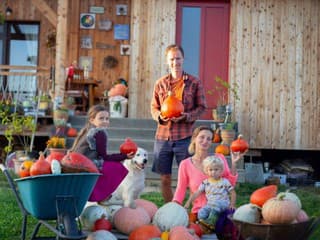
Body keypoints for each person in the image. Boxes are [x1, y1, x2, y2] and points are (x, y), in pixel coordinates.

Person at [150, 44, 207, 202]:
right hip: (163, 137)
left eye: (178, 58)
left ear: (183, 59)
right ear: (167, 62)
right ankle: (170, 209)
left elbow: (202, 107)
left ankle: (192, 208)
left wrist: (187, 116)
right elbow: (154, 107)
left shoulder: (194, 83)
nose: (175, 62)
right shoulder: (160, 84)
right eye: (172, 59)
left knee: (190, 178)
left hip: (185, 137)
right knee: (165, 178)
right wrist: (160, 116)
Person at [173, 125, 244, 216]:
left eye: (209, 139)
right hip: (200, 211)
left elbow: (230, 183)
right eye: (202, 137)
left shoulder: (219, 158)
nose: (205, 141)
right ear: (194, 139)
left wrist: (234, 163)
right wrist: (174, 205)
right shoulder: (185, 164)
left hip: (221, 209)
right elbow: (180, 189)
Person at [70, 105, 135, 203]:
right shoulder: (99, 133)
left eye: (107, 118)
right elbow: (104, 157)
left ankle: (100, 195)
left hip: (77, 164)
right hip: (85, 166)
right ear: (92, 120)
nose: (105, 121)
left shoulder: (88, 130)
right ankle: (102, 196)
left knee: (107, 165)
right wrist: (124, 156)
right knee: (116, 167)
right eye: (101, 118)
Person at [184, 155, 236, 229]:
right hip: (210, 204)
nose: (213, 172)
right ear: (206, 171)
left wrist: (232, 204)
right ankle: (204, 224)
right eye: (210, 170)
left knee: (216, 205)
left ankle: (211, 223)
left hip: (223, 203)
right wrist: (188, 202)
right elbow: (196, 193)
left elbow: (233, 193)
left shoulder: (224, 181)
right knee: (201, 213)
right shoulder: (205, 183)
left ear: (221, 170)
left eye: (216, 169)